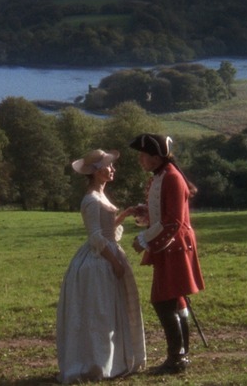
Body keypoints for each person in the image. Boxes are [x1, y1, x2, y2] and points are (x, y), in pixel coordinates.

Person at [56, 149, 146, 384]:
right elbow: (96, 236)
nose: (112, 169)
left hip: (107, 254)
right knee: (99, 312)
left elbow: (106, 228)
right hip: (98, 261)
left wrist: (123, 215)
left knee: (109, 310)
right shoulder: (90, 199)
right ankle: (96, 362)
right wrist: (114, 261)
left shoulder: (101, 196)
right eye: (108, 166)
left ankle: (112, 360)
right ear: (96, 172)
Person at [128, 133, 205, 375]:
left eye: (143, 155)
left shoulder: (171, 178)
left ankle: (177, 358)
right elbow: (162, 212)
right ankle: (181, 355)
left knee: (163, 301)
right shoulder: (160, 177)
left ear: (155, 157)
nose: (140, 159)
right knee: (175, 300)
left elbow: (173, 222)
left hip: (173, 245)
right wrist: (143, 210)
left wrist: (144, 239)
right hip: (168, 245)